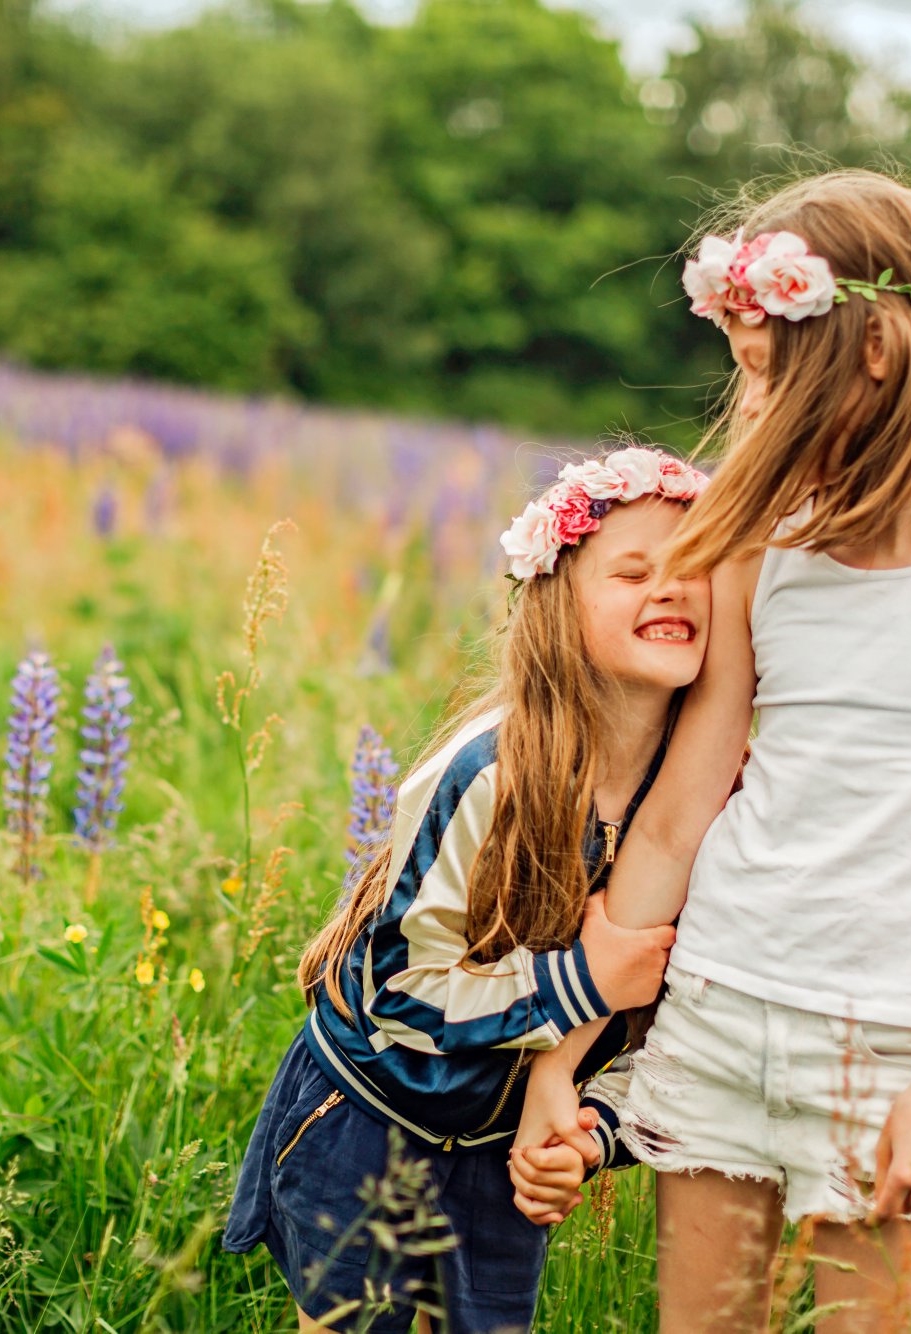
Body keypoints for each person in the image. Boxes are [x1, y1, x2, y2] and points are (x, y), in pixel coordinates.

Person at [508, 170, 911, 1333]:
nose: (753, 412)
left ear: (875, 347)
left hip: (895, 1043)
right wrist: (559, 1048)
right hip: (723, 1002)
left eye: (775, 374)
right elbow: (685, 806)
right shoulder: (764, 534)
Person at [222, 445, 712, 1333]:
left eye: (694, 569)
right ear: (559, 606)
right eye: (633, 571)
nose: (670, 588)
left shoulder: (707, 798)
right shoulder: (492, 772)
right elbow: (405, 988)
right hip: (373, 1111)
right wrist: (581, 984)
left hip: (500, 1148)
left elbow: (688, 1022)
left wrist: (594, 1127)